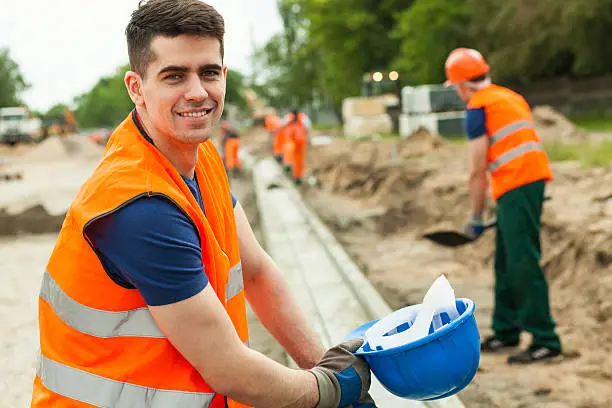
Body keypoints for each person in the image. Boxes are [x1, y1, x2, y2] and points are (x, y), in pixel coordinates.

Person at [30, 1, 376, 407]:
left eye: (209, 72)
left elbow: (258, 272)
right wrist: (331, 390)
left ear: (224, 76)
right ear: (136, 87)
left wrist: (323, 364)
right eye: (174, 76)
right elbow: (230, 369)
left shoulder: (199, 157)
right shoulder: (139, 208)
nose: (197, 92)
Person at [444, 47, 562, 365]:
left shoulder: (478, 109)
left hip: (518, 185)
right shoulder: (509, 96)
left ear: (461, 85)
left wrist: (475, 216)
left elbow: (476, 170)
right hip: (528, 182)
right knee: (506, 260)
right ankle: (506, 330)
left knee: (522, 260)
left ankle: (545, 339)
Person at [281, 108, 311, 183]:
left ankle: (296, 175)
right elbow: (308, 128)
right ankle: (291, 168)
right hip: (295, 141)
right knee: (294, 156)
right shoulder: (301, 117)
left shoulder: (291, 117)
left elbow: (282, 125)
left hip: (297, 142)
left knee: (297, 159)